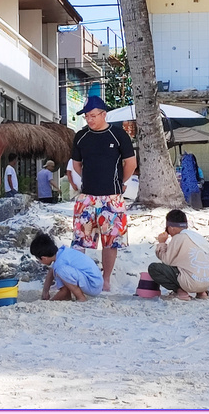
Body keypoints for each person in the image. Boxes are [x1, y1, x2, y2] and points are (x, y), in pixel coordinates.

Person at [70, 96, 136, 293]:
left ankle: (106, 279)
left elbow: (130, 164)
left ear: (103, 114)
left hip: (112, 197)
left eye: (92, 116)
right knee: (80, 238)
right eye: (87, 116)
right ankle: (78, 277)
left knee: (111, 240)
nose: (89, 120)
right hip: (87, 196)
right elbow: (76, 164)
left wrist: (119, 182)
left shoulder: (118, 135)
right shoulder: (81, 136)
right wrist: (89, 179)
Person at [148, 209, 209, 300]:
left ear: (171, 228)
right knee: (191, 267)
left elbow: (166, 261)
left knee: (154, 268)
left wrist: (161, 243)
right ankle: (202, 292)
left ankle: (181, 292)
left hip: (191, 282)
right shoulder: (197, 237)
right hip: (208, 281)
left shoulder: (178, 238)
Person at [30, 231, 102, 302]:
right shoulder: (62, 252)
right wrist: (45, 291)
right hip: (96, 281)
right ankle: (71, 296)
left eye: (38, 259)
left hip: (93, 285)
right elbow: (51, 272)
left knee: (60, 270)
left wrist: (50, 302)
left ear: (43, 258)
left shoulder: (59, 265)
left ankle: (81, 297)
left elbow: (63, 291)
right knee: (58, 269)